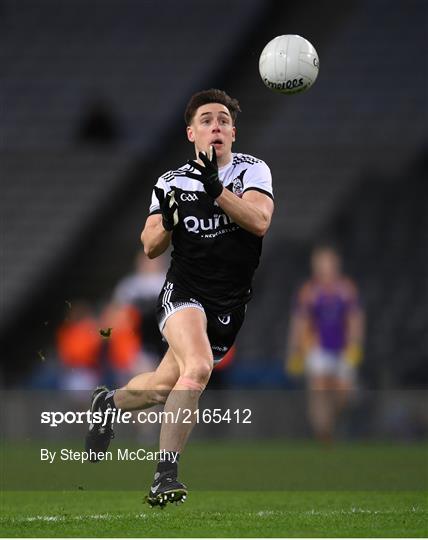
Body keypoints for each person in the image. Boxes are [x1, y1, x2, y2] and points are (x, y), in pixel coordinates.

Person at [85, 88, 274, 507]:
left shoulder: (252, 171)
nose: (216, 126)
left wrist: (216, 190)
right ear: (192, 133)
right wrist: (168, 221)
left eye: (223, 120)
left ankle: (108, 403)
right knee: (199, 367)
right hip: (184, 294)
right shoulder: (171, 182)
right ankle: (164, 475)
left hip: (229, 304)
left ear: (234, 132)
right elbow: (150, 245)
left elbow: (259, 222)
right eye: (206, 120)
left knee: (158, 389)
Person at [285, 245, 364, 443]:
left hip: (342, 348)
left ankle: (330, 423)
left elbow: (355, 319)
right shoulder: (309, 291)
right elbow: (300, 322)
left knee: (343, 393)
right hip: (316, 347)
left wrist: (355, 345)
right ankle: (323, 433)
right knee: (319, 389)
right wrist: (295, 351)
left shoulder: (346, 289)